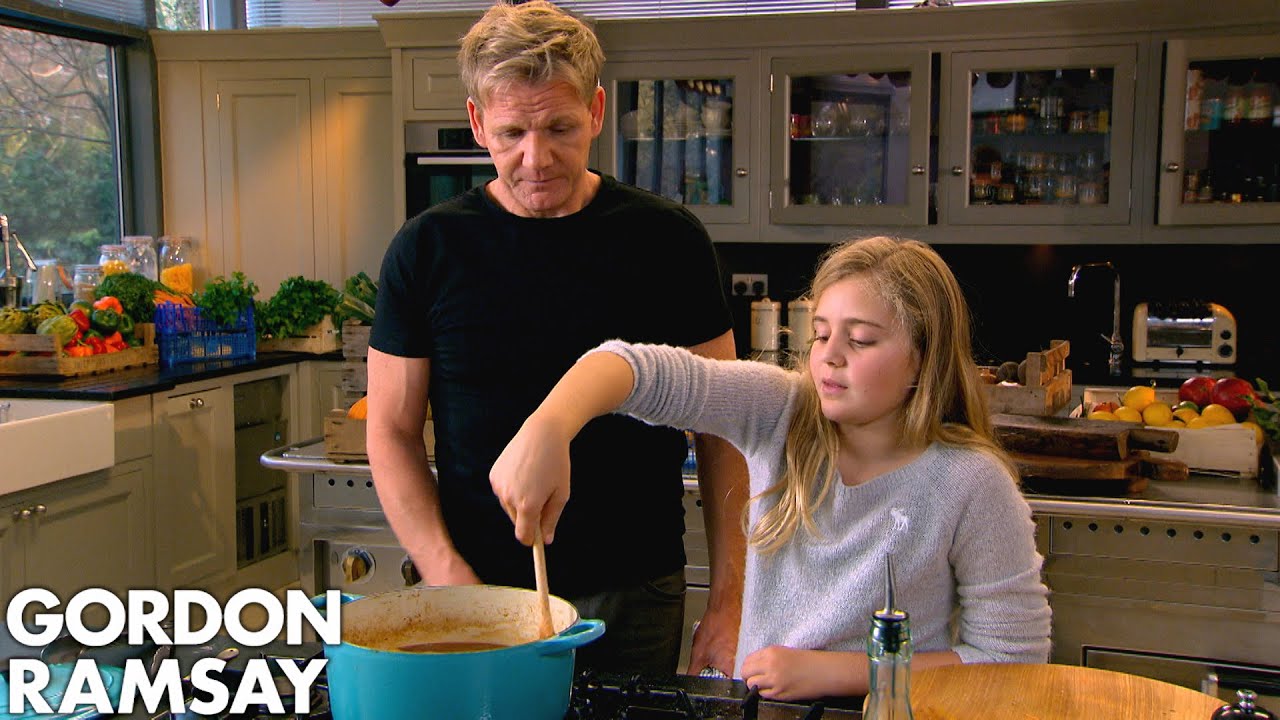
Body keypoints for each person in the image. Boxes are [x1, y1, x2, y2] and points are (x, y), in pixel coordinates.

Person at [491, 235, 1053, 700]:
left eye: (860, 340)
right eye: (822, 333)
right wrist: (549, 426)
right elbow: (636, 369)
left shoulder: (970, 483)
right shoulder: (779, 411)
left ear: (923, 359)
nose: (830, 355)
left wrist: (839, 671)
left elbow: (1012, 657)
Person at [364, 0, 748, 678]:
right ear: (477, 122)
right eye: (511, 132)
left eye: (560, 128)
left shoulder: (668, 241)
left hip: (636, 590)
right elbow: (391, 433)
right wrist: (446, 572)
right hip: (479, 589)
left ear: (596, 111)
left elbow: (726, 429)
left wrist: (730, 601)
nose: (535, 158)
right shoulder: (427, 249)